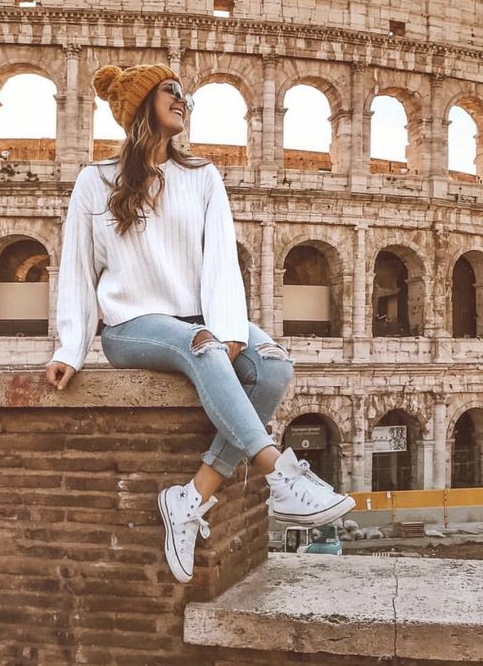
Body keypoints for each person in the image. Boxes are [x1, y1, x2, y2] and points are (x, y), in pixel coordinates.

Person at [45, 63, 355, 583]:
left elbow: (220, 262)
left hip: (198, 321)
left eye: (184, 92)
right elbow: (77, 266)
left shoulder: (203, 177)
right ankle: (279, 474)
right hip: (132, 327)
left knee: (274, 364)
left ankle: (189, 499)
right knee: (204, 345)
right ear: (142, 104)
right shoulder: (95, 181)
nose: (182, 98)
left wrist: (234, 328)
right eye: (171, 90)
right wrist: (69, 349)